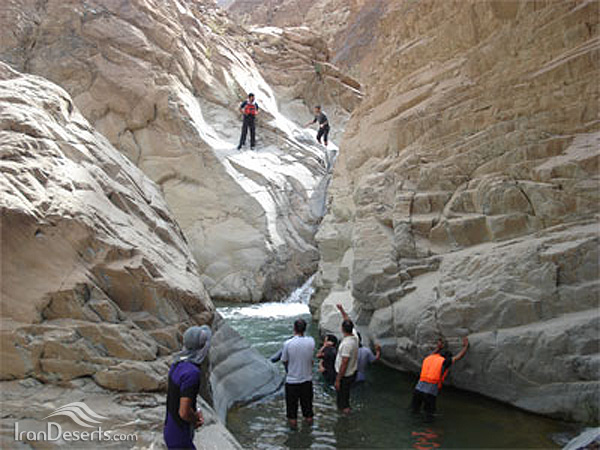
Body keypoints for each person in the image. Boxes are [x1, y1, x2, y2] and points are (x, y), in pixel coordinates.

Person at [164, 325, 212, 450]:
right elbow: (184, 412)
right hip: (179, 437)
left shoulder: (177, 364)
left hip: (171, 429)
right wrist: (196, 418)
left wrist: (195, 410)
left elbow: (176, 397)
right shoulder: (192, 373)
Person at [411, 336, 470, 420]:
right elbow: (458, 357)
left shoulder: (429, 357)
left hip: (418, 389)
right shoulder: (444, 361)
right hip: (430, 392)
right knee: (429, 414)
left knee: (414, 411)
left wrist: (438, 347)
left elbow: (433, 353)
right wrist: (465, 347)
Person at [281, 318, 315, 427]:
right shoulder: (311, 341)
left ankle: (293, 433)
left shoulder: (288, 343)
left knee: (292, 413)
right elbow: (311, 359)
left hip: (292, 381)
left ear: (294, 328)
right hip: (307, 380)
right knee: (308, 411)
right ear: (305, 329)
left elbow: (284, 361)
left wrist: (289, 370)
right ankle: (309, 430)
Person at [334, 304, 359, 414]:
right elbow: (348, 320)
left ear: (342, 329)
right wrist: (342, 310)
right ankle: (345, 410)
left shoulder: (347, 344)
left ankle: (344, 416)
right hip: (351, 373)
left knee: (342, 399)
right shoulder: (355, 337)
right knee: (345, 395)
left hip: (345, 375)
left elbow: (344, 362)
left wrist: (338, 379)